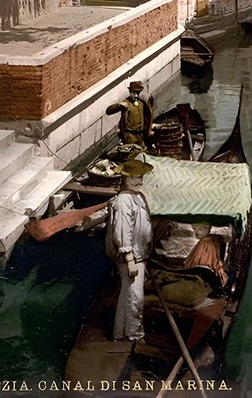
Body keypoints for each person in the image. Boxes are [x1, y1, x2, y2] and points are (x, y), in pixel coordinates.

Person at [105, 158, 154, 343]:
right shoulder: (124, 200)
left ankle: (120, 333)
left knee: (127, 296)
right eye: (135, 178)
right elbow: (123, 232)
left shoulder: (138, 196)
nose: (139, 182)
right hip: (131, 258)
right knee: (136, 299)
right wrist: (131, 259)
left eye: (141, 178)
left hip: (140, 255)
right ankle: (135, 336)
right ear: (125, 178)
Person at [106, 81, 153, 148]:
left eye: (138, 93)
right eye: (134, 93)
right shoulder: (126, 103)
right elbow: (109, 111)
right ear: (130, 92)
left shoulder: (141, 103)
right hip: (129, 135)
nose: (136, 95)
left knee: (143, 149)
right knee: (132, 152)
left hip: (140, 134)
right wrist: (119, 105)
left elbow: (148, 114)